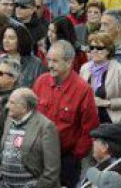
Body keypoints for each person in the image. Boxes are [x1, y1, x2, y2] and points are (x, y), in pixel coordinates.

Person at [32, 40, 98, 188]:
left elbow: (90, 128)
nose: (49, 65)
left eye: (55, 61)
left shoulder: (83, 90)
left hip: (66, 160)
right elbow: (31, 115)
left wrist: (75, 156)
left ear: (69, 63)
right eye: (48, 60)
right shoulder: (41, 82)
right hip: (39, 155)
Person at [0, 88, 61, 188]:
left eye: (12, 103)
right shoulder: (9, 120)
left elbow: (52, 169)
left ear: (24, 107)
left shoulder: (45, 126)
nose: (7, 106)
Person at [80, 32, 121, 126]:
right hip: (88, 119)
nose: (95, 51)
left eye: (99, 48)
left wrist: (106, 103)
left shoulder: (120, 70)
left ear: (108, 50)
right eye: (92, 48)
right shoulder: (84, 68)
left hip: (112, 122)